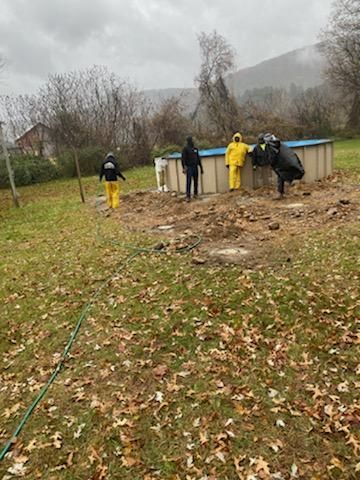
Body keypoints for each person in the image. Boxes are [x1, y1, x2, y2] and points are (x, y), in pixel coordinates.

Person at [264, 134, 305, 199]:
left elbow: (272, 157)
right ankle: (282, 191)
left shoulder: (270, 146)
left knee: (281, 176)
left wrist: (271, 164)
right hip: (287, 163)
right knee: (282, 176)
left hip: (281, 165)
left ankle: (282, 192)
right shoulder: (280, 144)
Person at [181, 136, 203, 202]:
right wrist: (184, 167)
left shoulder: (195, 148)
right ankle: (188, 196)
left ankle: (195, 194)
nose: (193, 141)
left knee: (196, 181)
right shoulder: (185, 149)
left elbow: (198, 158)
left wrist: (201, 168)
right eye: (192, 140)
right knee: (189, 181)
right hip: (189, 167)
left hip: (195, 166)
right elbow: (183, 159)